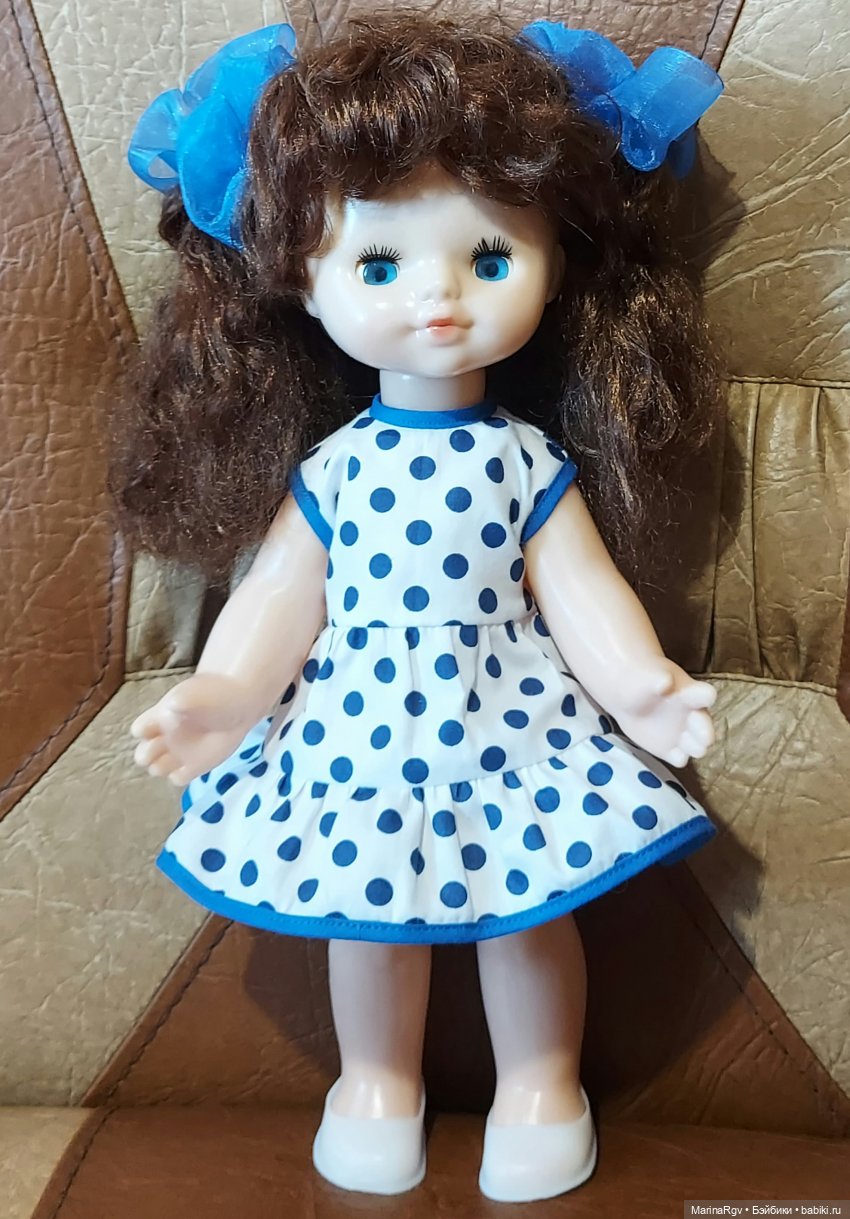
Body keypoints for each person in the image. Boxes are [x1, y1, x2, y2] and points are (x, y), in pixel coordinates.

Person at [117, 12, 723, 1202]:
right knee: (366, 922)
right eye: (380, 267)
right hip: (358, 736)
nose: (436, 300)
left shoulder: (525, 461)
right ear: (304, 280)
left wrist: (641, 687)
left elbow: (581, 590)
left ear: (554, 261)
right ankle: (374, 1084)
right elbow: (277, 597)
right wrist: (223, 697)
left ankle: (543, 1086)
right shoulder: (336, 469)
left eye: (489, 259)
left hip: (512, 726)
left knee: (527, 916)